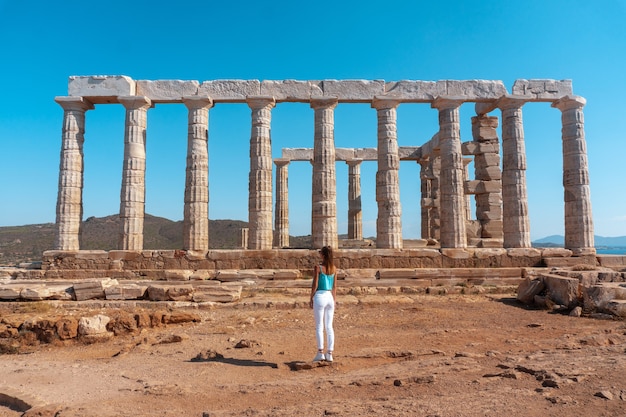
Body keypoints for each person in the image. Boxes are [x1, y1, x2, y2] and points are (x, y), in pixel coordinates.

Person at [309, 245, 336, 362]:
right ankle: (329, 353)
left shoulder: (318, 268)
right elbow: (334, 287)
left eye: (320, 253)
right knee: (329, 327)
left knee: (319, 326)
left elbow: (315, 284)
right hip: (330, 297)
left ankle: (320, 353)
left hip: (320, 296)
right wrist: (334, 300)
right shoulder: (334, 268)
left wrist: (311, 298)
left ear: (323, 255)